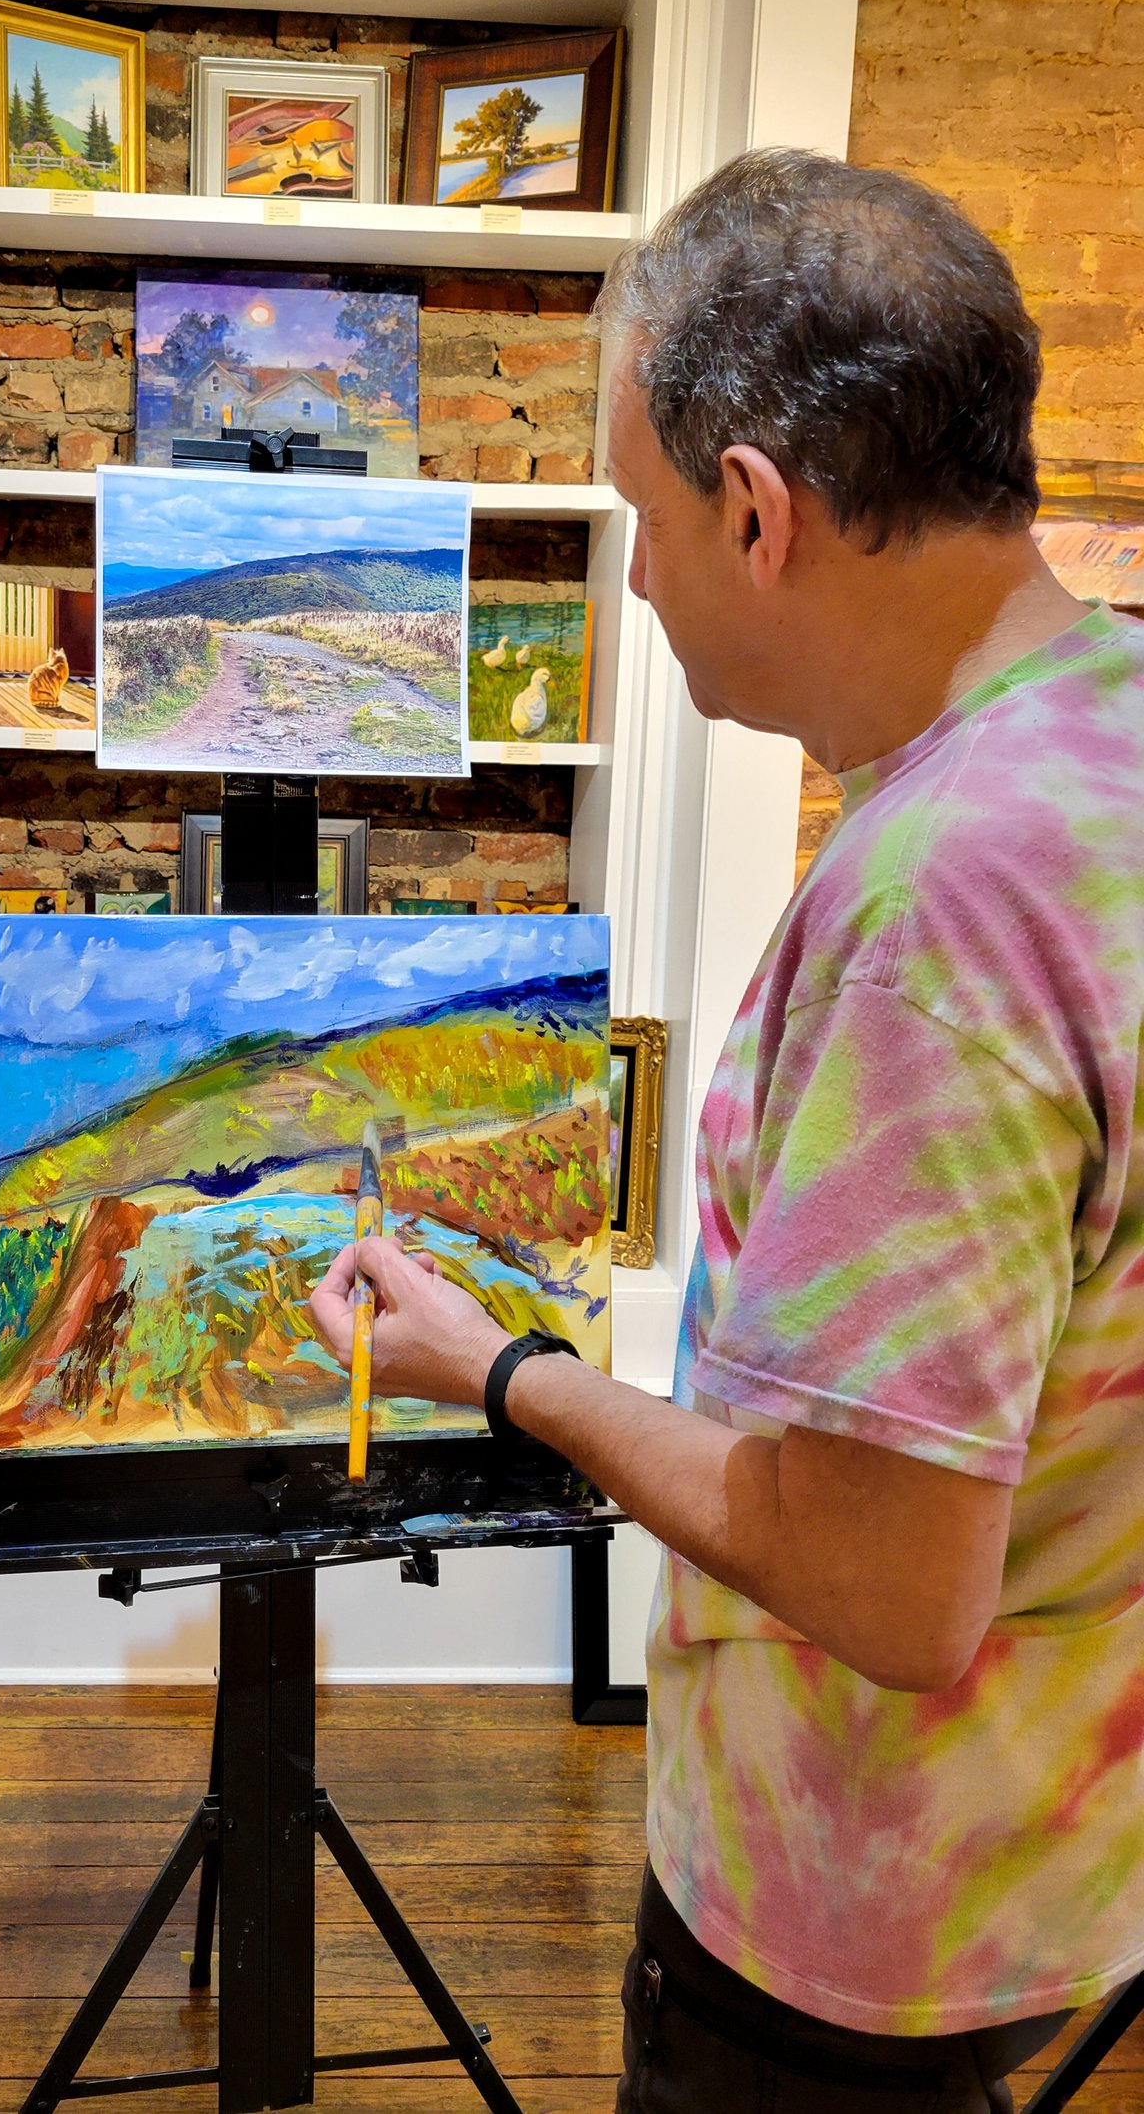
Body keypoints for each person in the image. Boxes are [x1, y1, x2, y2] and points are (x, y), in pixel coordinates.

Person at [310, 148, 1144, 2113]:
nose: (635, 576)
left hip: (850, 1936)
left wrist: (503, 1367)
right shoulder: (1104, 725)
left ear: (755, 511)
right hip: (1052, 1848)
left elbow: (880, 1582)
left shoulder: (941, 899)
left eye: (641, 514)